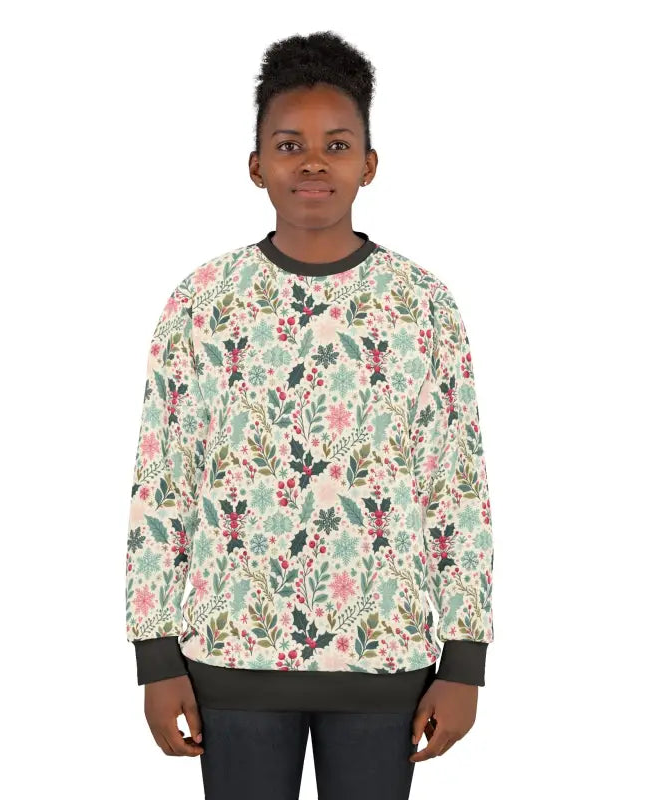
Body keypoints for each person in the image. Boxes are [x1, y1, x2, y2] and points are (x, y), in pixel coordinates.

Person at [125, 30, 495, 800]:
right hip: (230, 658)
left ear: (370, 163)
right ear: (256, 164)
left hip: (386, 659)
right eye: (290, 144)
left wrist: (464, 660)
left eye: (337, 144)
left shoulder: (422, 305)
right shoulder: (204, 301)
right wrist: (155, 657)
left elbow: (456, 486)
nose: (314, 163)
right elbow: (163, 484)